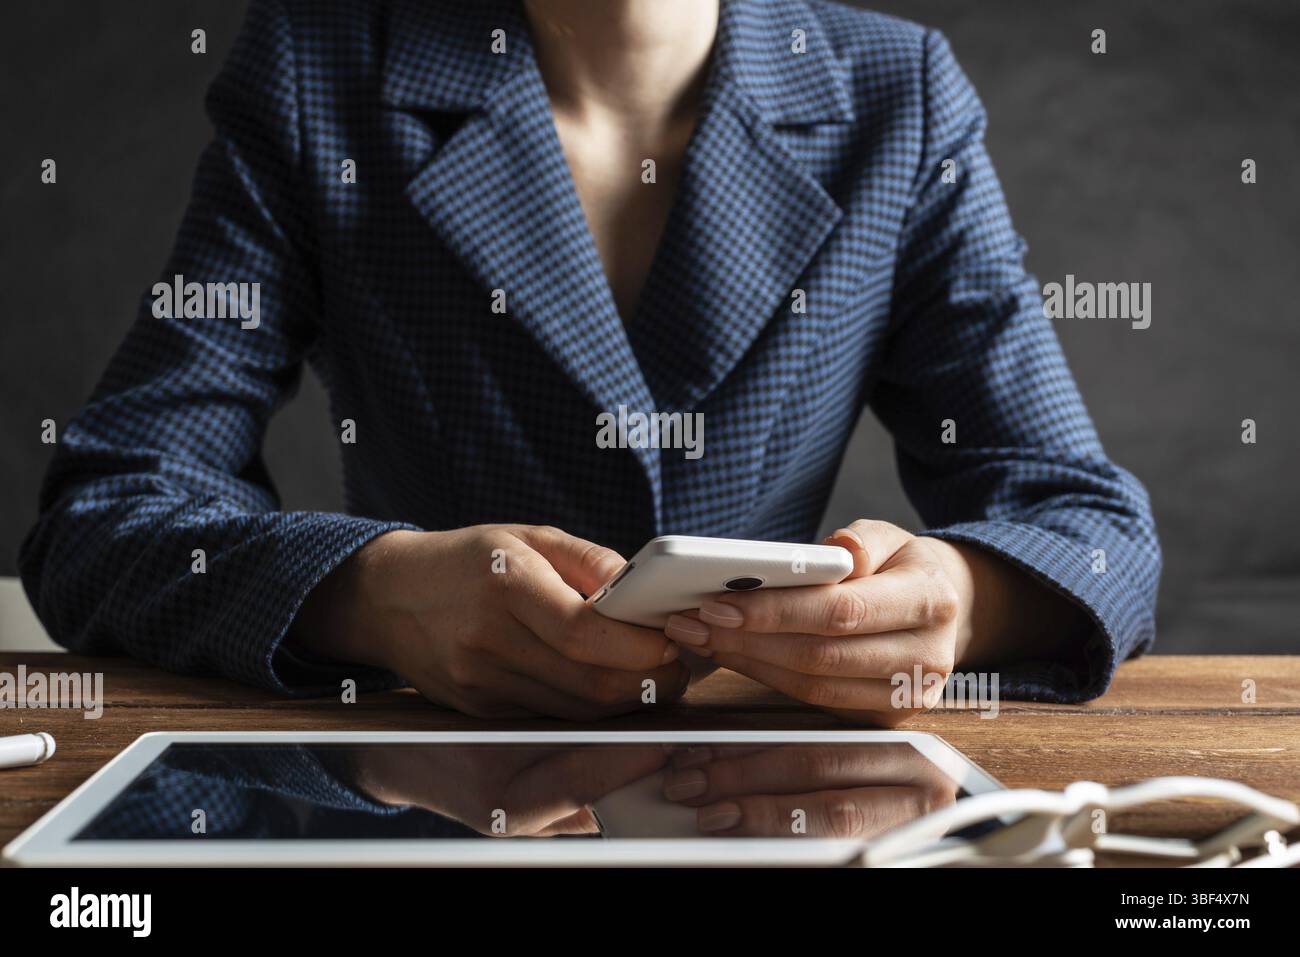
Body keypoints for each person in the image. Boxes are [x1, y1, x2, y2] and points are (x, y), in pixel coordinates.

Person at [20, 0, 1160, 724]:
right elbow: (105, 515)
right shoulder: (320, 66)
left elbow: (1090, 527)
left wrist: (961, 604)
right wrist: (368, 597)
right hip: (426, 799)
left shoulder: (893, 92)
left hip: (765, 804)